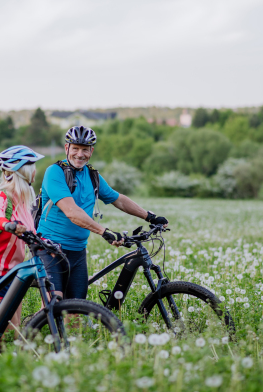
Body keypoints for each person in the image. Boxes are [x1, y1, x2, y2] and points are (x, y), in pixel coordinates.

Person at [36, 125, 169, 301]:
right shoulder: (55, 172)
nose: (80, 154)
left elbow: (118, 199)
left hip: (77, 251)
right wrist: (103, 231)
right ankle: (36, 328)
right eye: (75, 148)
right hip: (50, 248)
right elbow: (71, 211)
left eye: (85, 149)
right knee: (54, 304)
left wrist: (149, 216)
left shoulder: (92, 176)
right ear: (67, 148)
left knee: (75, 311)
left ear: (91, 151)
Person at [0, 145, 44, 329]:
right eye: (32, 167)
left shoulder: (23, 200)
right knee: (3, 330)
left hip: (15, 271)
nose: (35, 172)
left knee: (15, 329)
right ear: (22, 172)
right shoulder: (0, 195)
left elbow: (32, 233)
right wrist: (8, 225)